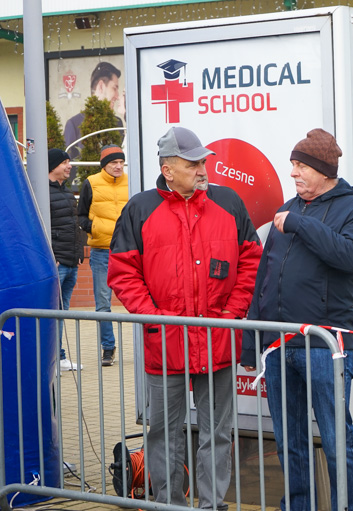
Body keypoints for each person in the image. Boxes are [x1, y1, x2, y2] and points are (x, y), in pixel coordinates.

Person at [108, 126, 262, 510]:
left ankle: (213, 505)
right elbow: (123, 273)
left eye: (203, 161)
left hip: (218, 341)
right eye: (192, 163)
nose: (202, 168)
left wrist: (231, 312)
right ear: (167, 169)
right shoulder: (140, 209)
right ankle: (169, 504)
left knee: (218, 433)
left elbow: (250, 262)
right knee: (163, 434)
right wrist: (154, 317)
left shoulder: (228, 203)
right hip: (166, 345)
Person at [241, 128, 353, 511]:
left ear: (323, 170)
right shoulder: (290, 206)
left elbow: (350, 258)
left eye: (301, 166)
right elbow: (264, 277)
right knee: (289, 439)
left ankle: (350, 506)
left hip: (324, 347)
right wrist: (254, 338)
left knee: (336, 439)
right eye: (292, 166)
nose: (294, 173)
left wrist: (301, 224)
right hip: (279, 344)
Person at [77, 144, 128, 366]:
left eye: (120, 163)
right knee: (103, 303)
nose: (118, 167)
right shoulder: (91, 183)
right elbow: (80, 216)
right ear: (104, 165)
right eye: (113, 163)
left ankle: (149, 348)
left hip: (129, 252)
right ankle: (108, 348)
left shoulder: (132, 181)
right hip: (101, 252)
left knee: (144, 300)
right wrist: (94, 228)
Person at [48, 148, 86, 371]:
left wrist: (78, 253)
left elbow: (73, 224)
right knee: (53, 313)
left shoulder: (66, 192)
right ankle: (53, 357)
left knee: (61, 313)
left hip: (71, 261)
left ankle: (59, 357)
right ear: (53, 166)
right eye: (64, 162)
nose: (69, 166)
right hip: (58, 262)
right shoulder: (42, 191)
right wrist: (52, 256)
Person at [63, 61, 125, 164]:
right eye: (115, 88)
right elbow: (68, 165)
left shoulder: (117, 123)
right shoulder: (74, 124)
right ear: (101, 86)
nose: (117, 96)